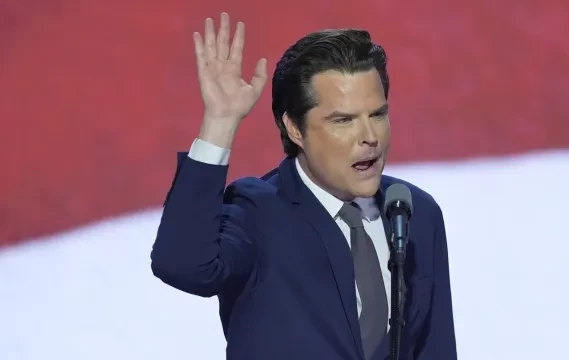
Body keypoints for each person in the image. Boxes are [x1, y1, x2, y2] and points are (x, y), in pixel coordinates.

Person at [151, 12, 457, 360]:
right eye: (343, 120)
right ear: (295, 129)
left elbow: (436, 347)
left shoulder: (413, 211)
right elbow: (181, 265)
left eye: (377, 114)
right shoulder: (258, 212)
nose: (370, 137)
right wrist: (219, 122)